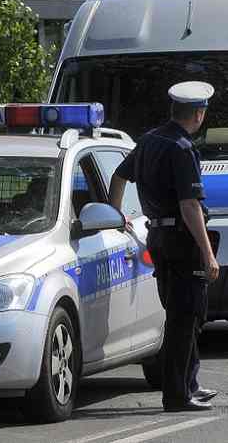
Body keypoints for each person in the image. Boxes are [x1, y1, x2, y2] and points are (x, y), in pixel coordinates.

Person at [109, 81, 220, 412]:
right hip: (182, 241)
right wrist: (208, 254)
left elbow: (118, 177)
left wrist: (116, 214)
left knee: (183, 314)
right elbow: (190, 206)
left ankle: (190, 384)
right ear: (198, 114)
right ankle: (177, 395)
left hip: (157, 237)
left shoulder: (149, 140)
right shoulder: (182, 149)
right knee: (184, 319)